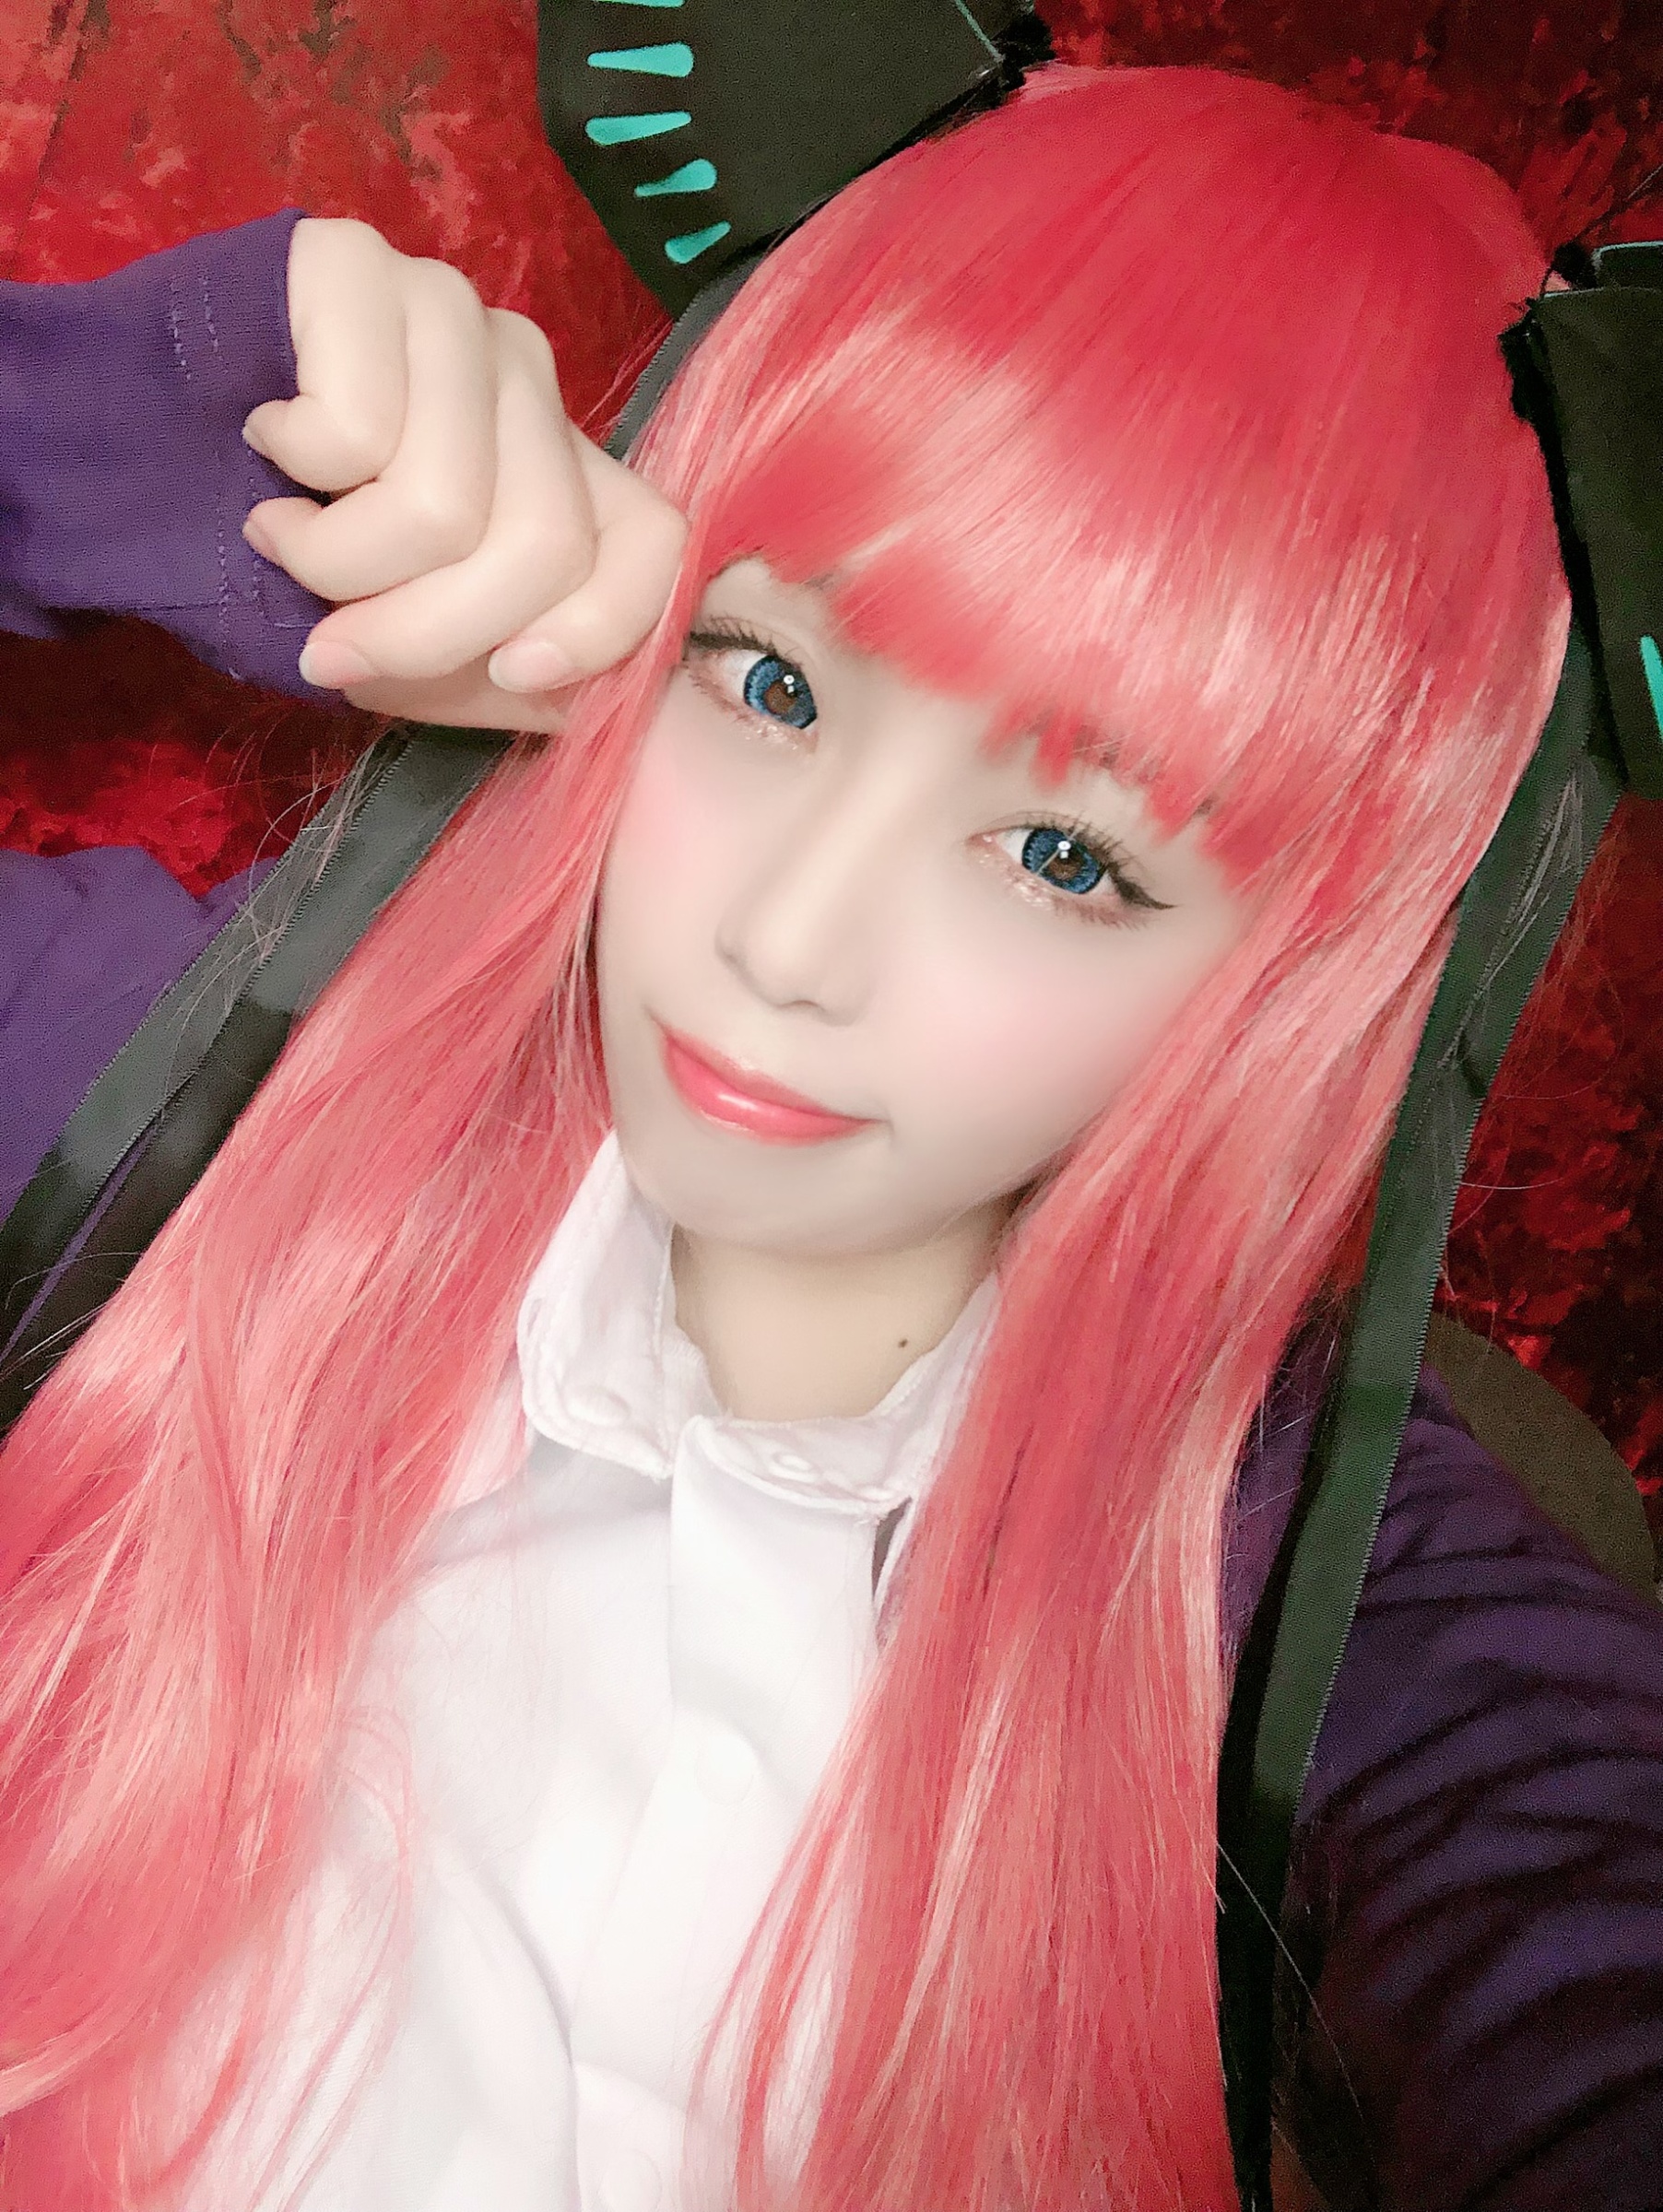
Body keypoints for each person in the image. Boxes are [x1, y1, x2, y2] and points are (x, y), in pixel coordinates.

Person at [2, 60, 1661, 2212]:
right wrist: (87, 450)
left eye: (1063, 856)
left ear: (1292, 979)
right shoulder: (153, 1089)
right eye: (768, 685)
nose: (784, 943)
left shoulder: (1316, 1567)